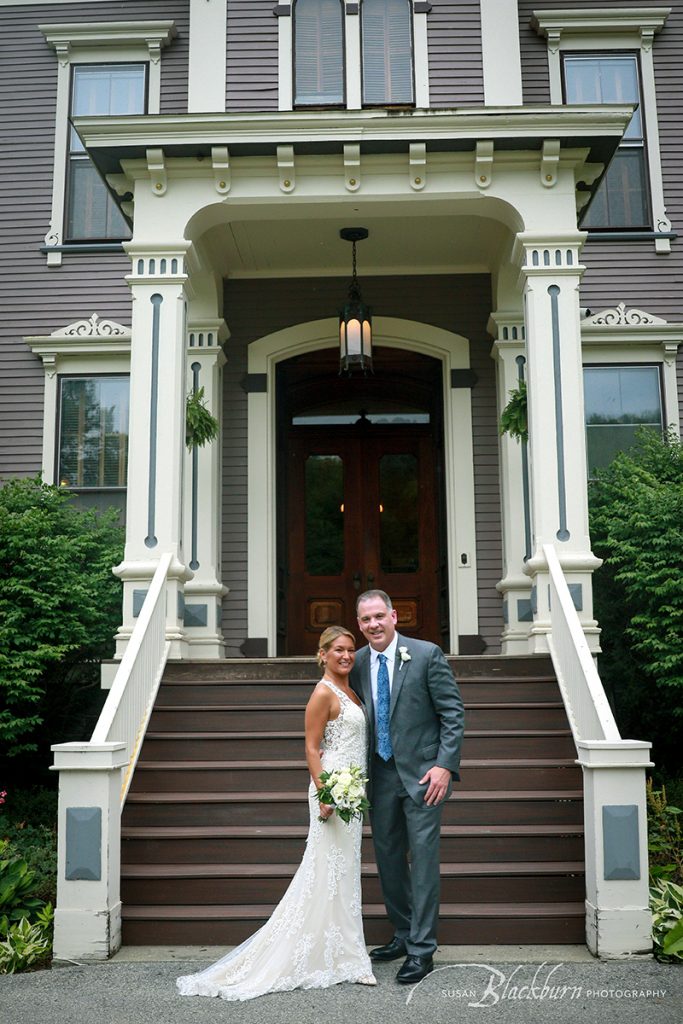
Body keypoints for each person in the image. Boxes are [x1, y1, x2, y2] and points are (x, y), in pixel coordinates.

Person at [176, 625, 376, 1001]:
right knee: (326, 871)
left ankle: (343, 954)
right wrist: (325, 792)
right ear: (322, 655)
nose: (347, 656)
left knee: (343, 873)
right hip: (333, 791)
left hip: (352, 791)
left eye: (351, 649)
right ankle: (344, 958)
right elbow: (312, 748)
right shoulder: (322, 693)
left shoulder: (351, 689)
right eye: (338, 650)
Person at [350, 590, 465, 984]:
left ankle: (422, 949)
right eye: (366, 620)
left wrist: (444, 766)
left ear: (394, 616)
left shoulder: (426, 654)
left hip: (423, 777)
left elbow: (452, 712)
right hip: (378, 776)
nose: (373, 625)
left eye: (379, 616)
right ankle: (401, 933)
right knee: (388, 860)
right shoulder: (359, 661)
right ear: (359, 624)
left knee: (423, 862)